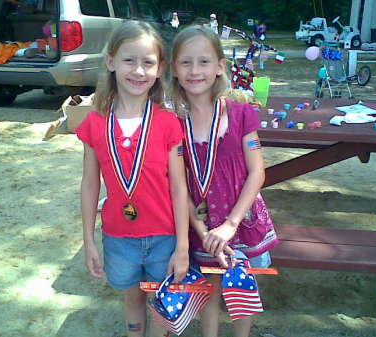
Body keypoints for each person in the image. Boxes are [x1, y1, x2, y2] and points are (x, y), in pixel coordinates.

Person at [76, 20, 189, 337]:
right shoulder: (95, 123)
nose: (138, 71)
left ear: (159, 68)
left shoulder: (168, 124)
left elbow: (179, 188)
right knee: (132, 294)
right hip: (118, 237)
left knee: (162, 299)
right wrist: (88, 241)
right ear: (111, 62)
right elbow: (89, 184)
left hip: (164, 236)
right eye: (129, 60)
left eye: (148, 62)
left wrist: (182, 245)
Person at [170, 25, 279, 337]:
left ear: (219, 66)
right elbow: (177, 185)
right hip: (200, 226)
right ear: (174, 69)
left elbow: (257, 171)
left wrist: (230, 224)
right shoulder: (172, 123)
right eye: (185, 62)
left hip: (241, 222)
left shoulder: (242, 114)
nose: (195, 71)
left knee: (242, 285)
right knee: (209, 288)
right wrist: (205, 233)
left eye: (204, 61)